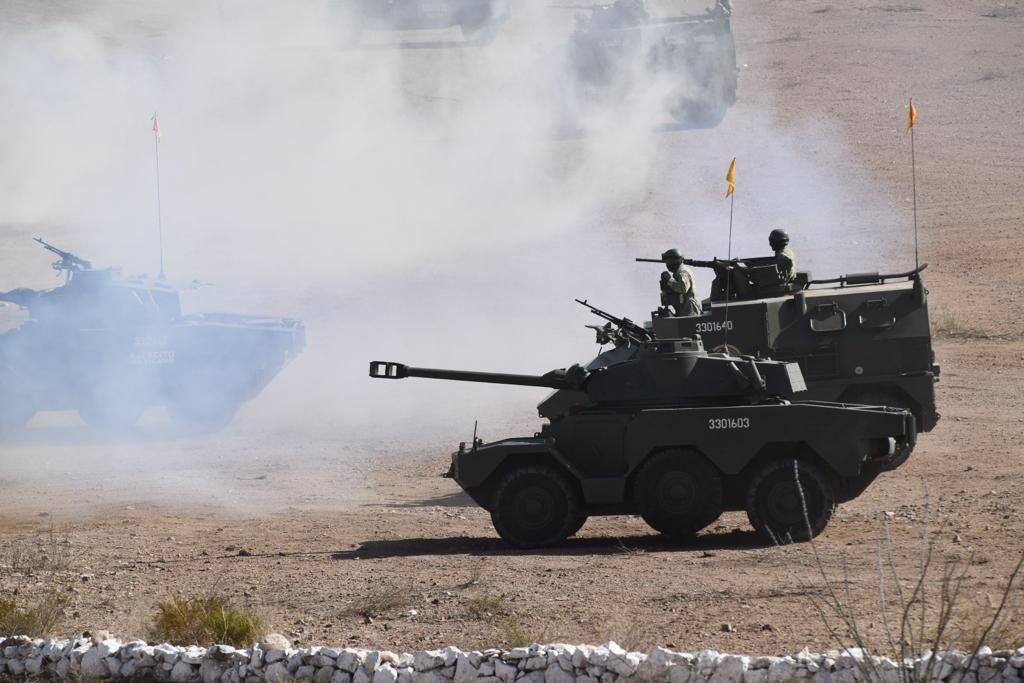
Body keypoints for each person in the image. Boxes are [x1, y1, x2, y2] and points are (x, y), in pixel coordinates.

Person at [659, 248, 701, 317]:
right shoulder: (679, 271)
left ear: (674, 261)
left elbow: (683, 288)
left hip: (689, 310)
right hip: (685, 308)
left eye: (668, 262)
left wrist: (669, 280)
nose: (667, 265)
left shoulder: (683, 272)